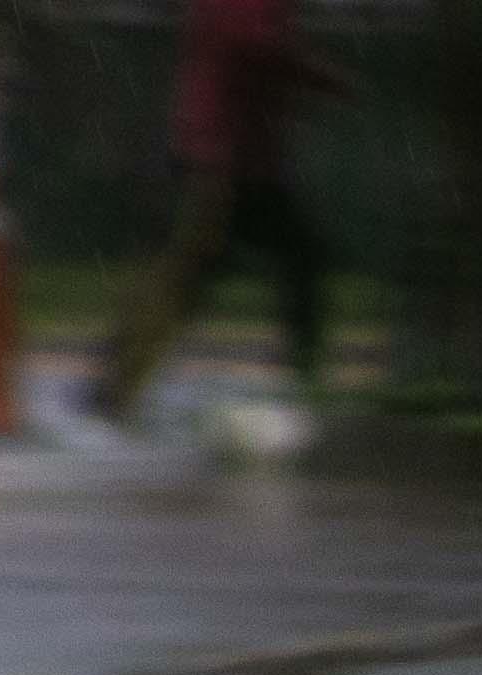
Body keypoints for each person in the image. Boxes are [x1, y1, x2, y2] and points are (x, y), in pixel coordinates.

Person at [89, 0, 345, 429]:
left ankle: (113, 393)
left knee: (287, 260)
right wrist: (319, 78)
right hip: (218, 162)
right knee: (186, 277)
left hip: (242, 162)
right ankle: (110, 396)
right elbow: (253, 44)